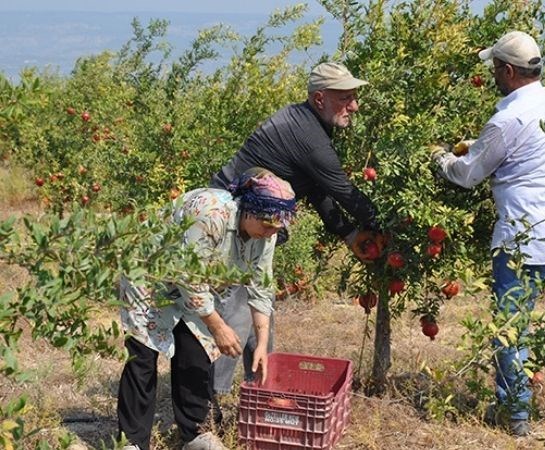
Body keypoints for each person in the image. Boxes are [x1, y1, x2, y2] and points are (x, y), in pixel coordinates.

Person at [431, 31, 545, 436]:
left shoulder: (507, 119)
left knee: (512, 328)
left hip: (523, 239)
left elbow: (468, 175)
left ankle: (516, 416)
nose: (493, 74)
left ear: (509, 70)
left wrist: (441, 158)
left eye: (496, 67)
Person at [209, 61, 383, 397]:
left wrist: (347, 233)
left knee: (258, 304)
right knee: (232, 311)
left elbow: (317, 189)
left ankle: (258, 392)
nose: (355, 105)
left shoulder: (309, 123)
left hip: (255, 223)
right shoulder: (309, 135)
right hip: (232, 224)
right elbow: (342, 191)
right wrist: (385, 226)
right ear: (320, 99)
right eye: (345, 97)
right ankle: (207, 407)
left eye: (354, 97)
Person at [117, 168, 297, 450]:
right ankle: (132, 441)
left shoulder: (268, 231)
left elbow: (262, 284)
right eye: (266, 225)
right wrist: (218, 325)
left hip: (195, 284)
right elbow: (189, 278)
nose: (271, 232)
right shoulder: (210, 214)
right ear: (248, 209)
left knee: (197, 351)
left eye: (277, 227)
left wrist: (262, 344)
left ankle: (195, 434)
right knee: (143, 355)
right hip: (150, 274)